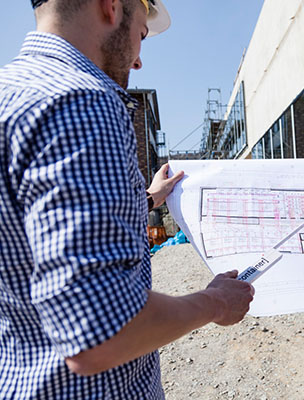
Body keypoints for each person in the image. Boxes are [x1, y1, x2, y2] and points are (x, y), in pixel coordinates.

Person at [0, 0, 253, 398]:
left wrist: (148, 197)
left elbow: (33, 227)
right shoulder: (84, 102)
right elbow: (99, 334)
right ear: (112, 6)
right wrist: (215, 302)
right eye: (141, 34)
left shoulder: (10, 93)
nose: (137, 61)